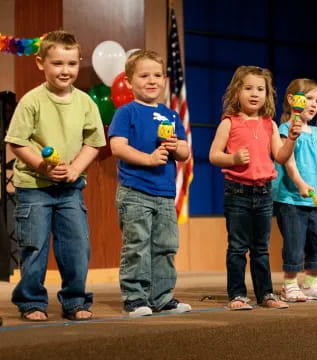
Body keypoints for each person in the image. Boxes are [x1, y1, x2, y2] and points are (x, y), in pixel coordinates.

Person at [5, 30, 106, 321]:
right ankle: (31, 301)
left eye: (71, 64)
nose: (65, 70)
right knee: (34, 245)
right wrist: (41, 165)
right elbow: (16, 141)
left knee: (76, 246)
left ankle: (75, 301)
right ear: (41, 63)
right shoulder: (32, 100)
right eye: (58, 64)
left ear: (79, 62)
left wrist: (76, 168)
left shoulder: (85, 102)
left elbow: (95, 142)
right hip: (34, 188)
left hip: (70, 189)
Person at [209, 65, 302, 310]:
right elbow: (213, 155)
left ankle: (266, 294)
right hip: (237, 192)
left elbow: (280, 156)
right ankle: (237, 295)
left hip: (263, 193)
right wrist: (233, 159)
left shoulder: (269, 124)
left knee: (261, 249)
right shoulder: (229, 123)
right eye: (248, 88)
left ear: (267, 94)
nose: (254, 94)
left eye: (260, 89)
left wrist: (291, 139)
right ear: (236, 92)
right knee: (238, 247)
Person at [108, 50, 192, 317]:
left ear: (165, 80)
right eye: (144, 76)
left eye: (157, 75)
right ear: (129, 81)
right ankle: (135, 297)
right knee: (137, 246)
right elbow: (117, 147)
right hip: (135, 191)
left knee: (165, 246)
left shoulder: (170, 114)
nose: (152, 80)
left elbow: (185, 152)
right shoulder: (126, 112)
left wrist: (175, 146)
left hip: (165, 193)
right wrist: (149, 158)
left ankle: (162, 297)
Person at [272, 79, 317, 302]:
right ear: (294, 100)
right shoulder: (286, 129)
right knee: (294, 244)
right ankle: (290, 285)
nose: (313, 104)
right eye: (309, 98)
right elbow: (288, 161)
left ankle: (311, 284)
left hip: (312, 200)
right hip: (291, 199)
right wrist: (300, 183)